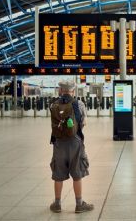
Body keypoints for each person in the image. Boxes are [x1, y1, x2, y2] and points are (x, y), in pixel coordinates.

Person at [48, 80, 94, 213]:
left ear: (60, 91)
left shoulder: (53, 104)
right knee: (77, 173)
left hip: (58, 143)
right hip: (75, 143)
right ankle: (79, 204)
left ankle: (57, 204)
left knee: (58, 174)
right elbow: (83, 123)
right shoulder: (78, 104)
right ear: (73, 91)